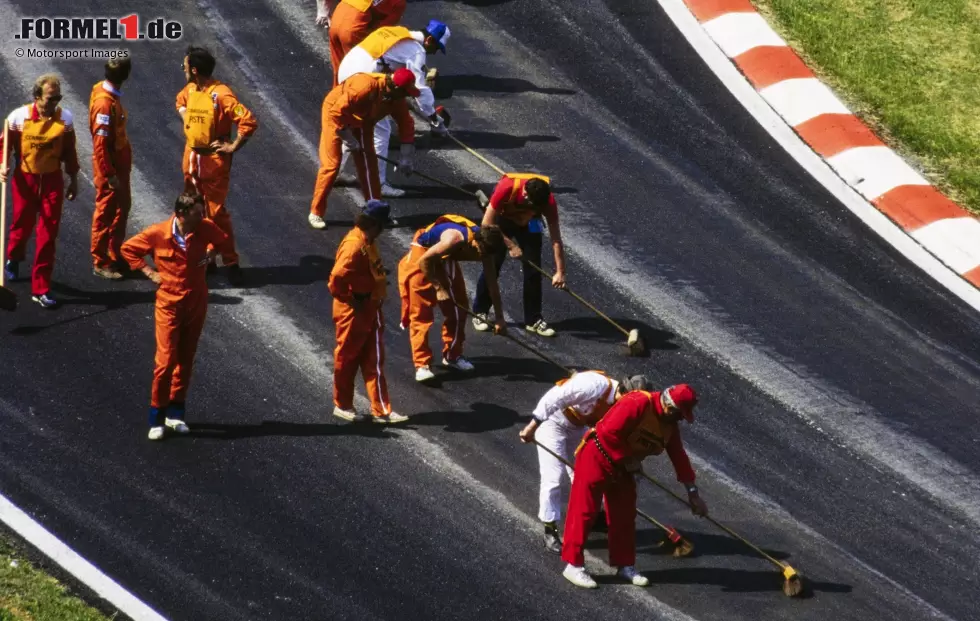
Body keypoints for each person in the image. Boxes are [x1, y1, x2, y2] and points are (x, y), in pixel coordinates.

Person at [560, 384, 708, 589]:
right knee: (584, 511)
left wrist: (693, 493)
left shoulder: (670, 425)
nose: (681, 419)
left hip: (625, 468)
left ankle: (624, 565)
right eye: (680, 414)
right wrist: (628, 459)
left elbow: (679, 457)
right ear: (669, 406)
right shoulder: (638, 402)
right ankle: (573, 565)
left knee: (624, 515)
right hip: (597, 456)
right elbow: (607, 432)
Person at [121, 192, 234, 441]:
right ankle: (156, 417)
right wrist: (150, 274)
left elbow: (223, 240)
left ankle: (176, 413)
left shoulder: (204, 228)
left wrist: (209, 256)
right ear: (182, 215)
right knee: (165, 362)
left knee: (186, 358)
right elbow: (128, 249)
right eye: (197, 212)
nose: (202, 216)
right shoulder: (158, 233)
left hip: (196, 302)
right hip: (169, 304)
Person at [519, 372, 651, 553]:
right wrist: (531, 427)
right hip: (553, 423)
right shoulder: (594, 385)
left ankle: (594, 517)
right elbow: (554, 398)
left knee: (587, 476)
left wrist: (632, 460)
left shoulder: (626, 408)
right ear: (624, 392)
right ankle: (551, 530)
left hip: (578, 428)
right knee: (554, 478)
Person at [335, 20, 451, 197]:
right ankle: (379, 184)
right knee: (382, 130)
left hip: (347, 69)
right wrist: (434, 119)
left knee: (354, 125)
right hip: (362, 77)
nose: (434, 53)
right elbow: (420, 89)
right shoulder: (417, 51)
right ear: (429, 41)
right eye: (436, 48)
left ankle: (336, 171)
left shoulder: (398, 31)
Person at [176, 45, 258, 286]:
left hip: (213, 163)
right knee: (193, 212)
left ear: (194, 69)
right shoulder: (190, 90)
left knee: (216, 214)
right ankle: (207, 260)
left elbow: (248, 121)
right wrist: (188, 121)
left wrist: (232, 146)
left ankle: (231, 262)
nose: (182, 70)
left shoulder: (221, 94)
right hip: (191, 159)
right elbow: (179, 102)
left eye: (184, 66)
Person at [0, 74, 79, 309]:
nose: (55, 102)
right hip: (25, 180)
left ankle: (41, 288)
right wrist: (2, 165)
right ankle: (14, 257)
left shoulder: (65, 119)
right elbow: (4, 146)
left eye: (58, 97)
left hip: (52, 181)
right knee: (21, 227)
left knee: (48, 234)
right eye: (51, 98)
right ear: (37, 97)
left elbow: (70, 153)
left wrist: (73, 179)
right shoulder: (18, 117)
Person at [397, 214, 505, 382]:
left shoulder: (486, 250)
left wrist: (499, 318)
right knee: (421, 314)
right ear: (475, 242)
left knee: (459, 309)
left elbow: (492, 285)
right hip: (425, 255)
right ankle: (422, 365)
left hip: (445, 258)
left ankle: (452, 355)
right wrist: (439, 288)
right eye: (479, 252)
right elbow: (425, 261)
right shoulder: (453, 240)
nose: (481, 257)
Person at [328, 200, 408, 424]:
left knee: (375, 358)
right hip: (353, 311)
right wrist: (349, 299)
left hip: (370, 307)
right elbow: (336, 279)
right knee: (347, 357)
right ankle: (342, 404)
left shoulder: (367, 240)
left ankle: (381, 409)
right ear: (375, 224)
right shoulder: (355, 246)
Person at [308, 69, 417, 230]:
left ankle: (376, 213)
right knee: (332, 164)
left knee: (369, 164)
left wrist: (406, 157)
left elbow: (406, 124)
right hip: (336, 115)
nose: (406, 97)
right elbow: (337, 113)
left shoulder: (396, 99)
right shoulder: (364, 86)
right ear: (395, 87)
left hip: (364, 121)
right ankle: (316, 211)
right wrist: (349, 138)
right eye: (406, 92)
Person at [472, 173, 566, 338]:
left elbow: (556, 239)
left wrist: (560, 272)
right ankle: (480, 311)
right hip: (502, 221)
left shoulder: (548, 201)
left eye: (536, 208)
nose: (532, 209)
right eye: (531, 205)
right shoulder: (506, 188)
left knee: (534, 268)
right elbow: (486, 225)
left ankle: (533, 319)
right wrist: (511, 245)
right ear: (524, 194)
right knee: (493, 264)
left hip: (529, 225)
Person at [89, 58, 133, 280]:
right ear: (126, 75)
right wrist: (109, 174)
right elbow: (100, 144)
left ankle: (114, 252)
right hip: (111, 169)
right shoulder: (105, 104)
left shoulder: (100, 88)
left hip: (118, 166)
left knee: (122, 208)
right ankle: (100, 260)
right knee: (106, 212)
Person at [328, 0, 407, 87]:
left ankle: (336, 97)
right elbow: (383, 31)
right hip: (354, 27)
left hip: (338, 16)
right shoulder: (399, 3)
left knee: (339, 69)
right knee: (357, 73)